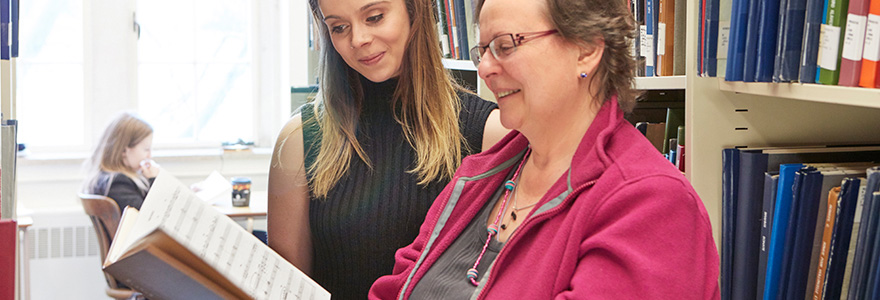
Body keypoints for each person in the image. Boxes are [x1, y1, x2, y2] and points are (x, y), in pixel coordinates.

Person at [369, 0, 720, 298]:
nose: (486, 68)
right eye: (484, 50)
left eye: (505, 46)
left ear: (587, 49)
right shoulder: (480, 174)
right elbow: (394, 288)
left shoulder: (653, 205)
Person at [267, 0, 506, 298]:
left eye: (375, 17)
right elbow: (286, 289)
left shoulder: (490, 132)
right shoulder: (299, 139)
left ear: (414, 11)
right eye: (339, 28)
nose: (358, 40)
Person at [83, 112, 160, 211]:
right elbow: (148, 216)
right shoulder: (118, 184)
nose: (149, 156)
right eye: (146, 149)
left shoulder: (108, 179)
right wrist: (154, 180)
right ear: (124, 150)